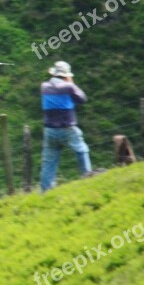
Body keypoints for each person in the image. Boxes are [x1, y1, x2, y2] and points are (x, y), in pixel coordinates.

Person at [40, 61, 92, 192]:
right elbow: (82, 99)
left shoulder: (44, 86)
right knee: (82, 150)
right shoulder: (69, 86)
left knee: (49, 161)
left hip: (49, 130)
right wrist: (72, 83)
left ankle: (45, 191)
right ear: (66, 75)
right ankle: (88, 178)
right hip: (67, 128)